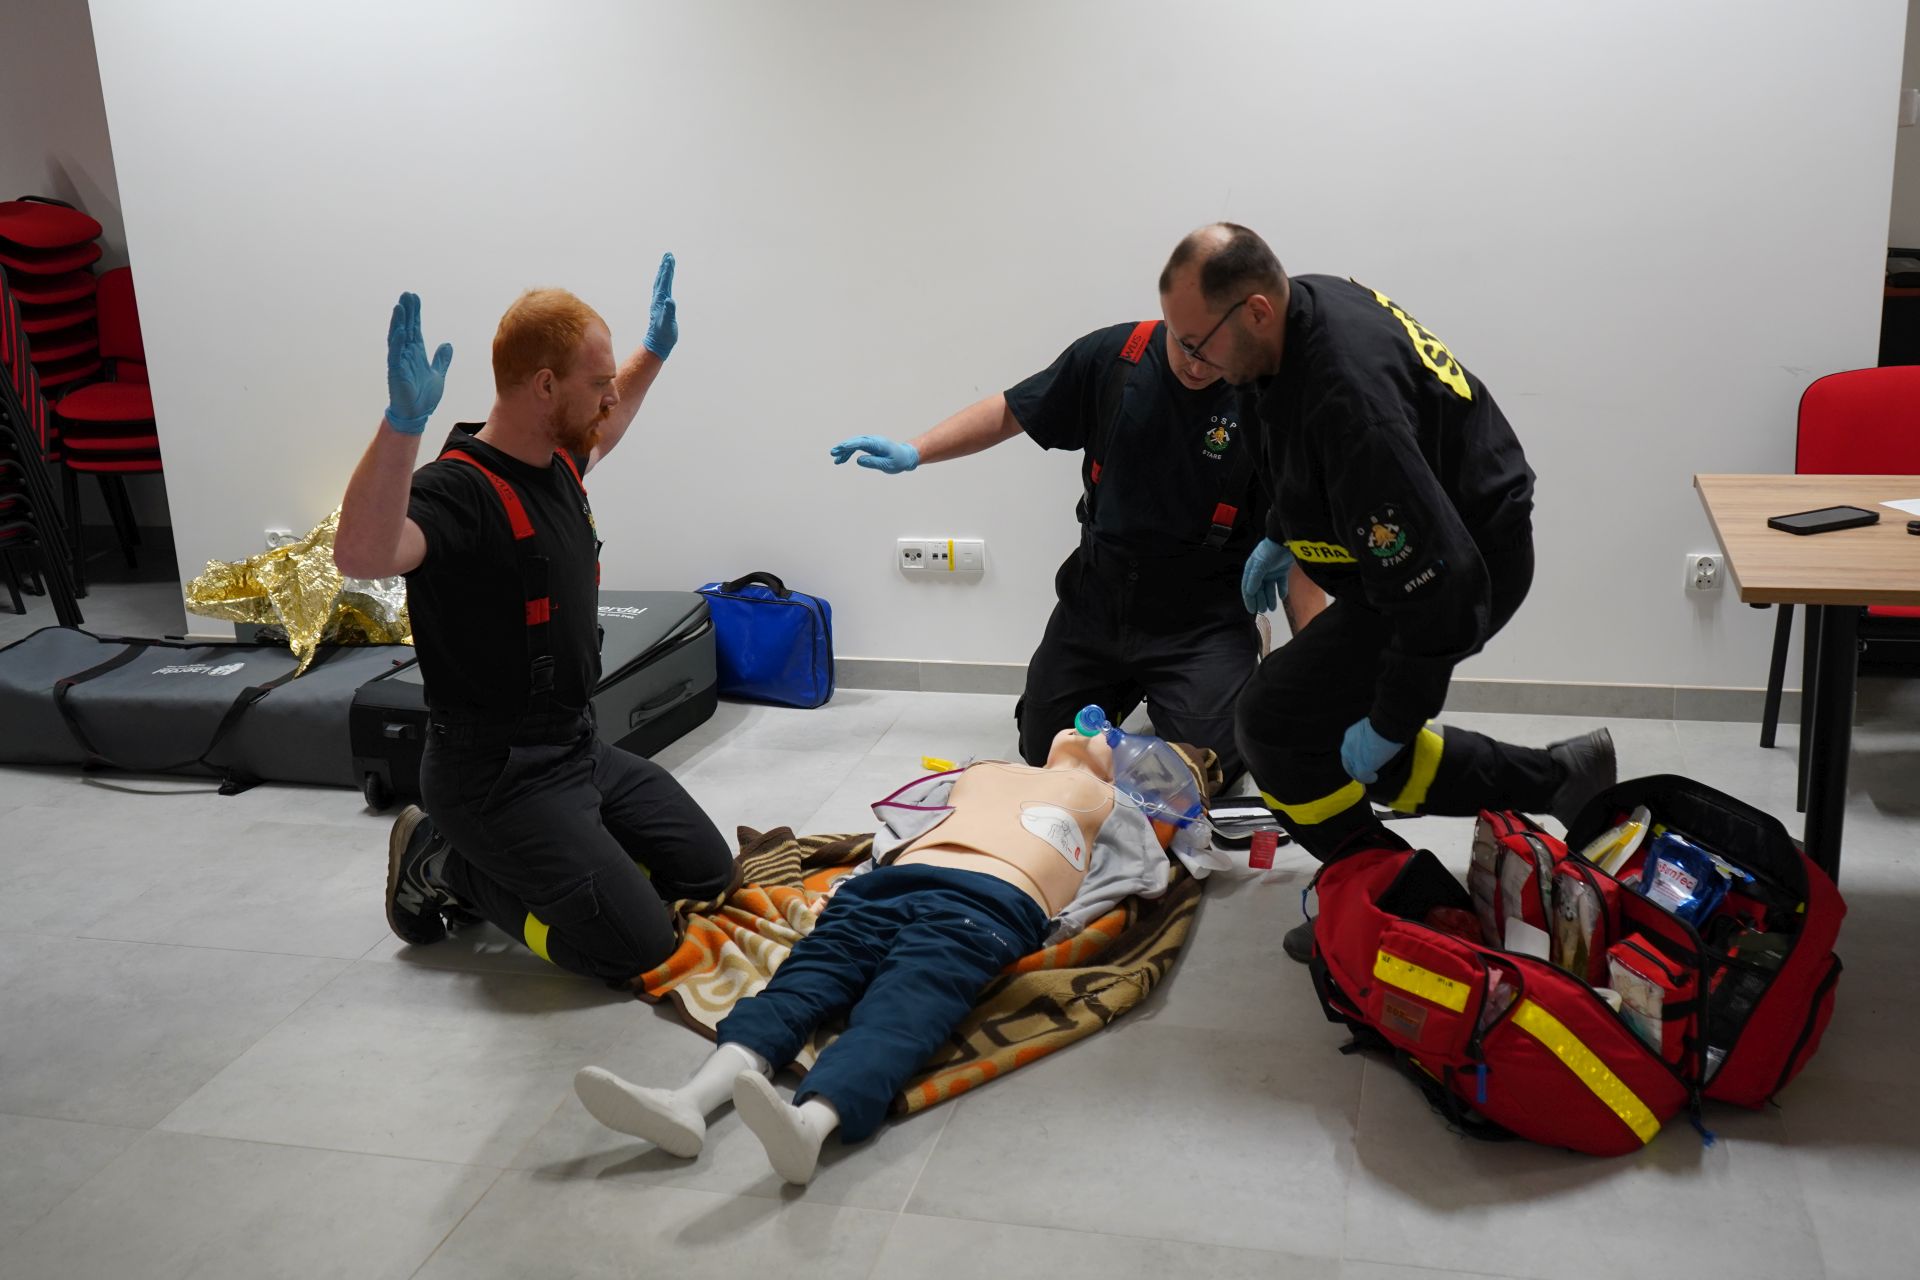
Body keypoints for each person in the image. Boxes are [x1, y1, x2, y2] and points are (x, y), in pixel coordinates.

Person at [1155, 224, 1616, 961]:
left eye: (1196, 342)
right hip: (1420, 544)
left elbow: (1436, 594)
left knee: (1277, 725)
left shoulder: (1350, 401)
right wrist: (1282, 531)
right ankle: (1560, 779)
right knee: (1338, 731)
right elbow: (1293, 444)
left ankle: (1401, 899)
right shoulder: (1294, 318)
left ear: (1256, 310)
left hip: (1459, 564)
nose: (1190, 361)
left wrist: (1396, 718)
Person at [333, 257, 734, 986]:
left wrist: (654, 353)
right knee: (637, 949)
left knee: (708, 876)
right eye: (598, 381)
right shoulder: (456, 492)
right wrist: (402, 424)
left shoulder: (559, 462)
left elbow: (612, 423)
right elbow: (362, 554)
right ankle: (447, 864)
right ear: (545, 385)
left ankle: (572, 862)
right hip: (492, 776)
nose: (610, 396)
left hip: (576, 747)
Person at [571, 724, 1182, 1185]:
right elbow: (902, 828)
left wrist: (1057, 920)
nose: (1092, 728)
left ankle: (811, 1125)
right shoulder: (983, 768)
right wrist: (856, 877)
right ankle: (687, 1103)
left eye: (1110, 733)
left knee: (904, 1009)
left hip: (988, 905)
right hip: (885, 887)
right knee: (803, 982)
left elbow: (1134, 875)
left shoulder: (1115, 803)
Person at [829, 318, 1326, 782]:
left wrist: (1314, 663)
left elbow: (1295, 544)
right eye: (1187, 348)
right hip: (1099, 596)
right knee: (1044, 749)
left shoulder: (1267, 399)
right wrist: (915, 451)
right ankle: (1129, 691)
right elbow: (1012, 410)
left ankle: (1211, 677)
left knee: (1213, 764)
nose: (1197, 366)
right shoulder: (1117, 356)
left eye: (1213, 355)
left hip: (1203, 615)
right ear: (1173, 313)